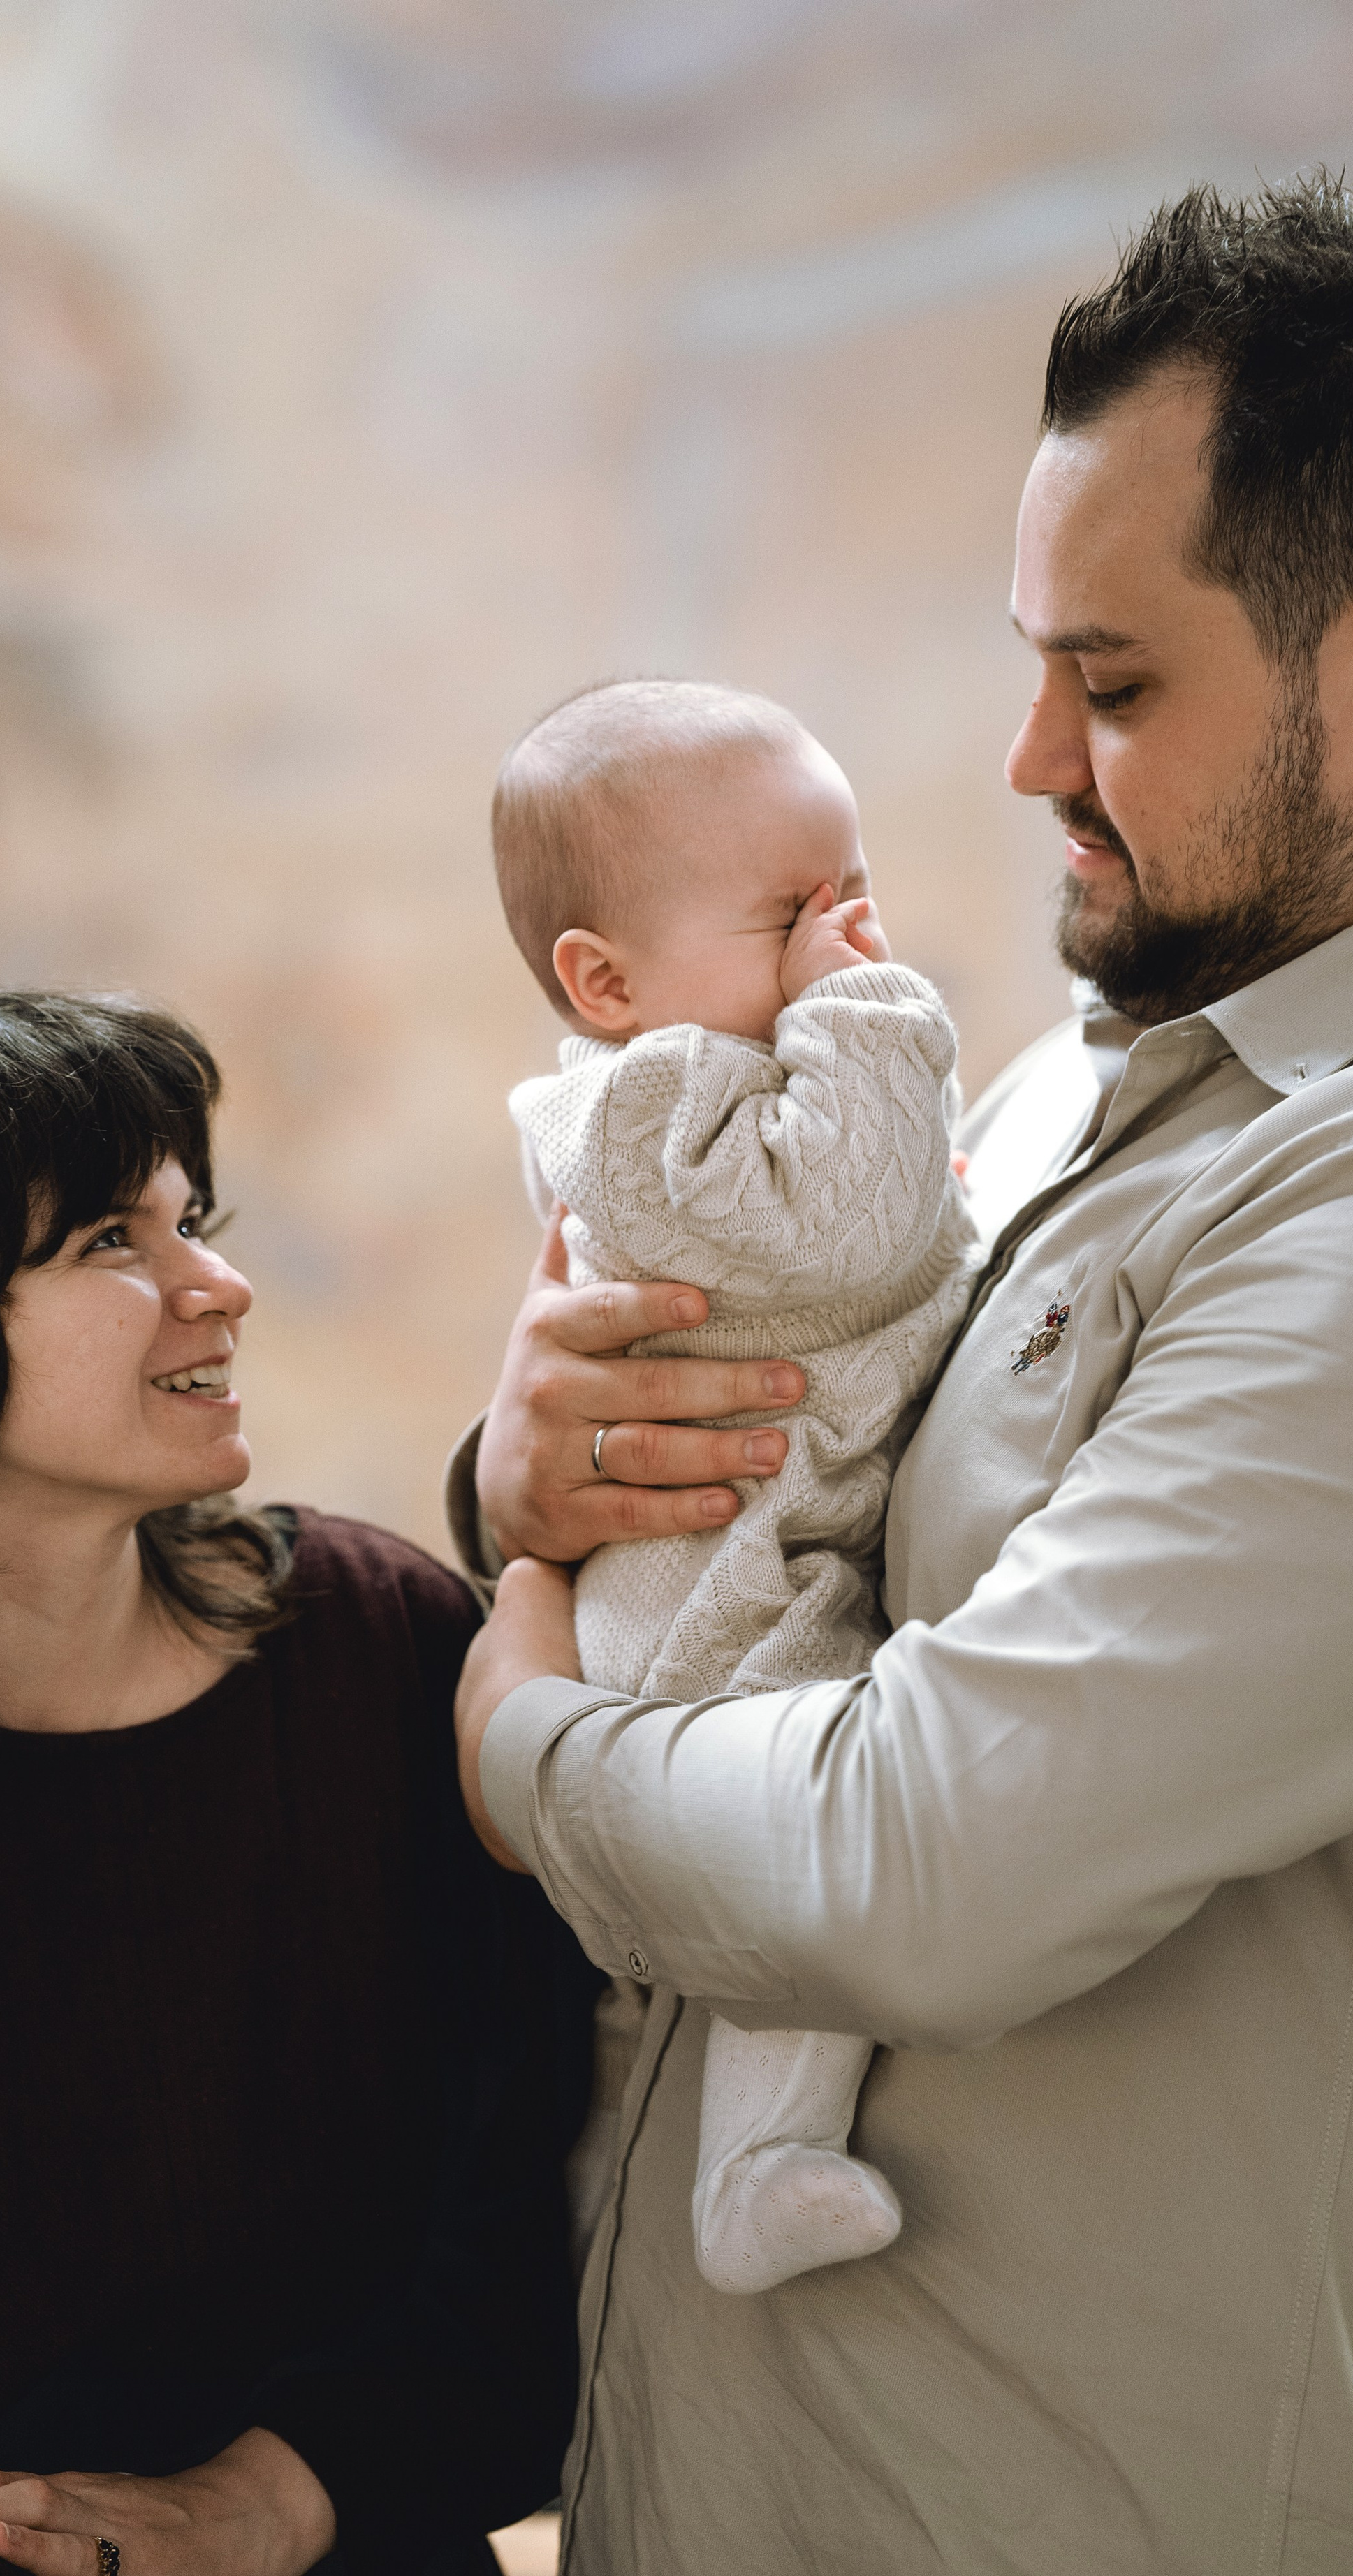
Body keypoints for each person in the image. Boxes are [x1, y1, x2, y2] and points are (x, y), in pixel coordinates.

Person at [449, 172, 1353, 2576]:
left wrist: (521, 1737)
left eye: (1115, 684)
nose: (1029, 758)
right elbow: (798, 1471)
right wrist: (537, 1478)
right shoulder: (1079, 1080)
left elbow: (934, 1860)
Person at [0, 991, 583, 2576]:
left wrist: (261, 2509)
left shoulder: (383, 1651)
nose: (219, 1285)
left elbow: (536, 2231)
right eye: (114, 1237)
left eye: (197, 1219)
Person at [495, 677, 974, 2293]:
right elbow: (841, 1247)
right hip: (712, 1592)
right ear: (604, 979)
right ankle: (756, 2169)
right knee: (805, 1827)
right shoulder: (647, 1109)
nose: (846, 938)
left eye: (852, 891)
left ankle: (724, 2163)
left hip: (747, 1543)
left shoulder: (704, 1090)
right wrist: (877, 1013)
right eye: (791, 911)